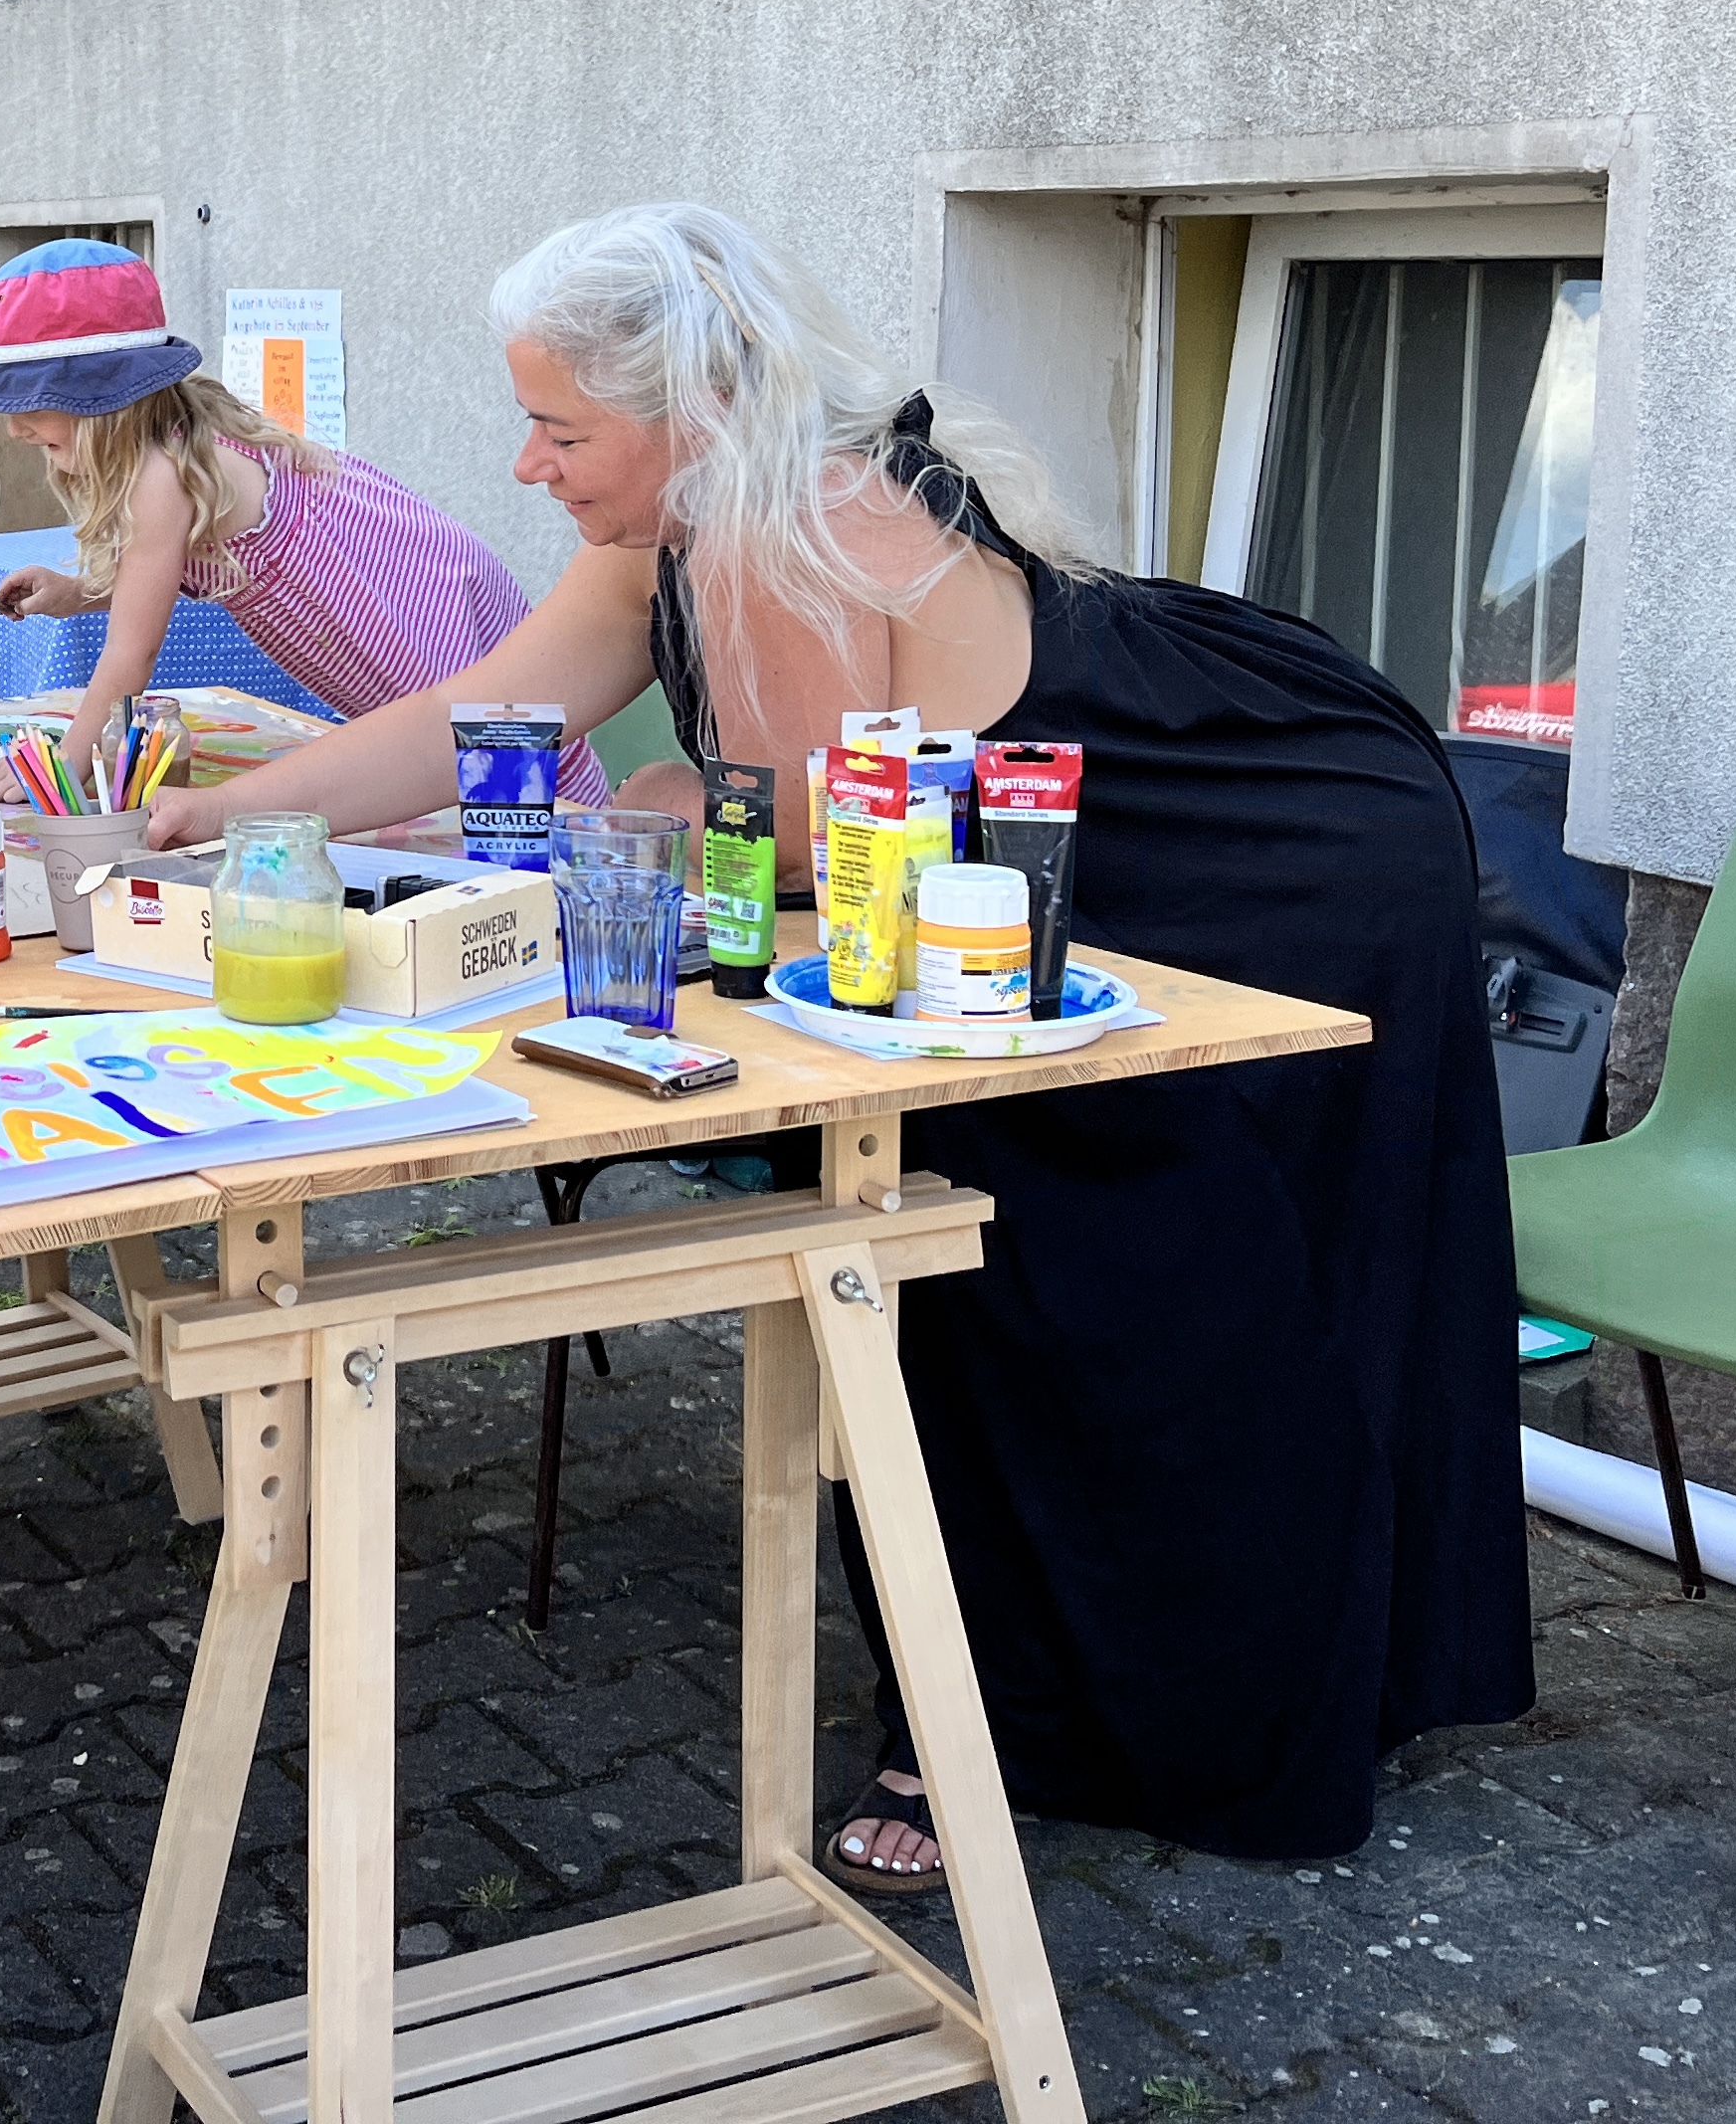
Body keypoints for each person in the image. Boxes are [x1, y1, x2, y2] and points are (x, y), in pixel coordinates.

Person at [148, 200, 1532, 1883]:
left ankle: (1067, 1714)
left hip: (1257, 841)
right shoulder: (673, 511)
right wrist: (214, 819)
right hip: (1048, 841)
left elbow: (805, 831)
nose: (524, 462)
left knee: (1145, 1275)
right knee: (1029, 1258)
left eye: (561, 426)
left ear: (688, 407)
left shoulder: (780, 518)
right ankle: (1046, 1693)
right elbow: (484, 711)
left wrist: (673, 798)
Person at [0, 242, 605, 797]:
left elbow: (133, 651)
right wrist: (76, 593)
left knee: (494, 763)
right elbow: (152, 579)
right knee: (490, 755)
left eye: (33, 405)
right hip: (417, 578)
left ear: (99, 398)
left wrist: (64, 765)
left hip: (399, 613)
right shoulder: (182, 440)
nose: (17, 428)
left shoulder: (160, 476)